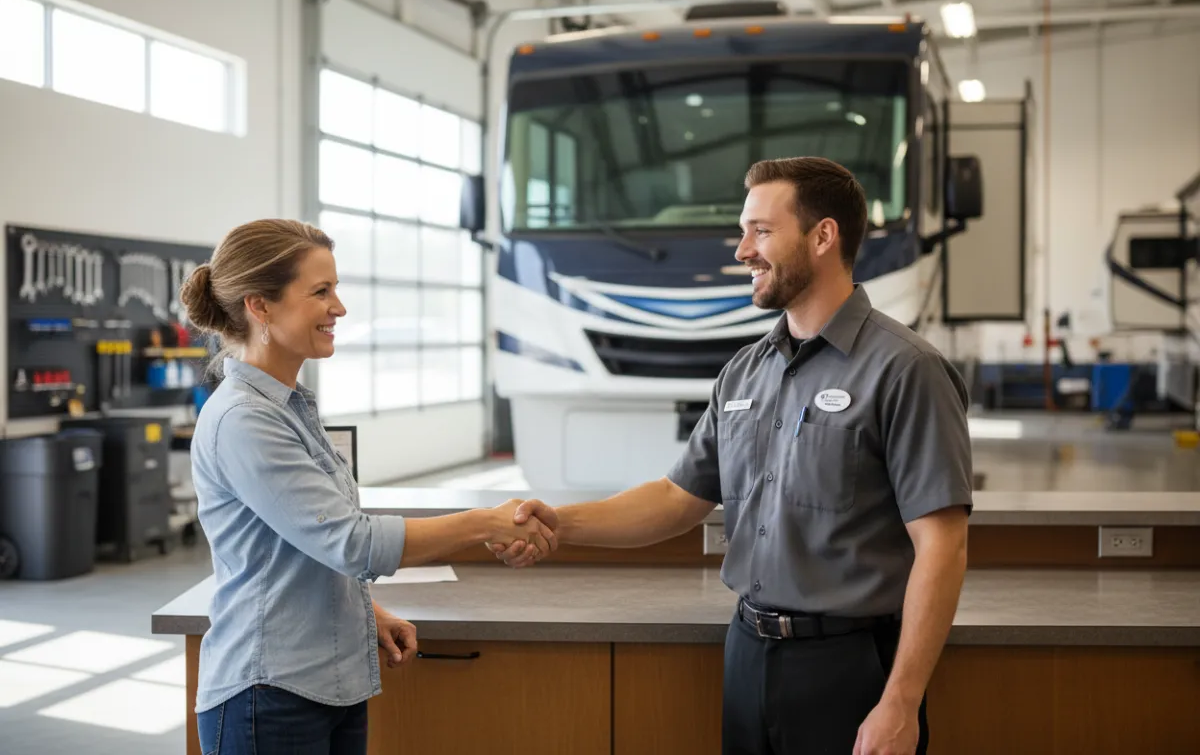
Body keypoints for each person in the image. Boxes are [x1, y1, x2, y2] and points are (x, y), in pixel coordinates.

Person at [489, 158, 973, 755]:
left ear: (824, 236)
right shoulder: (744, 372)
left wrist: (900, 702)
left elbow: (942, 547)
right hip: (747, 651)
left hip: (851, 667)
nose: (743, 251)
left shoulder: (907, 370)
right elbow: (676, 498)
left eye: (761, 232)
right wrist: (561, 523)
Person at [180, 218, 556, 755]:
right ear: (260, 306)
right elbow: (350, 542)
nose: (339, 307)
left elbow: (302, 545)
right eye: (321, 291)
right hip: (268, 694)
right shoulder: (244, 420)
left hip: (325, 685)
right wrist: (485, 523)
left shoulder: (290, 407)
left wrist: (366, 616)